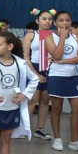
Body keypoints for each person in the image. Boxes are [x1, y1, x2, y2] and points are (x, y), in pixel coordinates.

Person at [43, 11, 78, 153]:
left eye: (67, 20)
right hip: (56, 76)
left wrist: (64, 62)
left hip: (73, 76)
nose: (65, 23)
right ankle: (57, 138)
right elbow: (56, 55)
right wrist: (62, 38)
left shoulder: (75, 37)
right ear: (55, 23)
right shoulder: (49, 37)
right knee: (56, 108)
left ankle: (74, 140)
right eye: (61, 20)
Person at [22, 9, 54, 140]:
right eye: (44, 19)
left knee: (45, 100)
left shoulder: (54, 35)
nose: (47, 21)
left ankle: (40, 129)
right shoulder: (31, 35)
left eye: (49, 19)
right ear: (37, 21)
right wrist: (36, 74)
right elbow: (25, 57)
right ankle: (24, 128)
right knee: (32, 100)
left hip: (49, 69)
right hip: (33, 68)